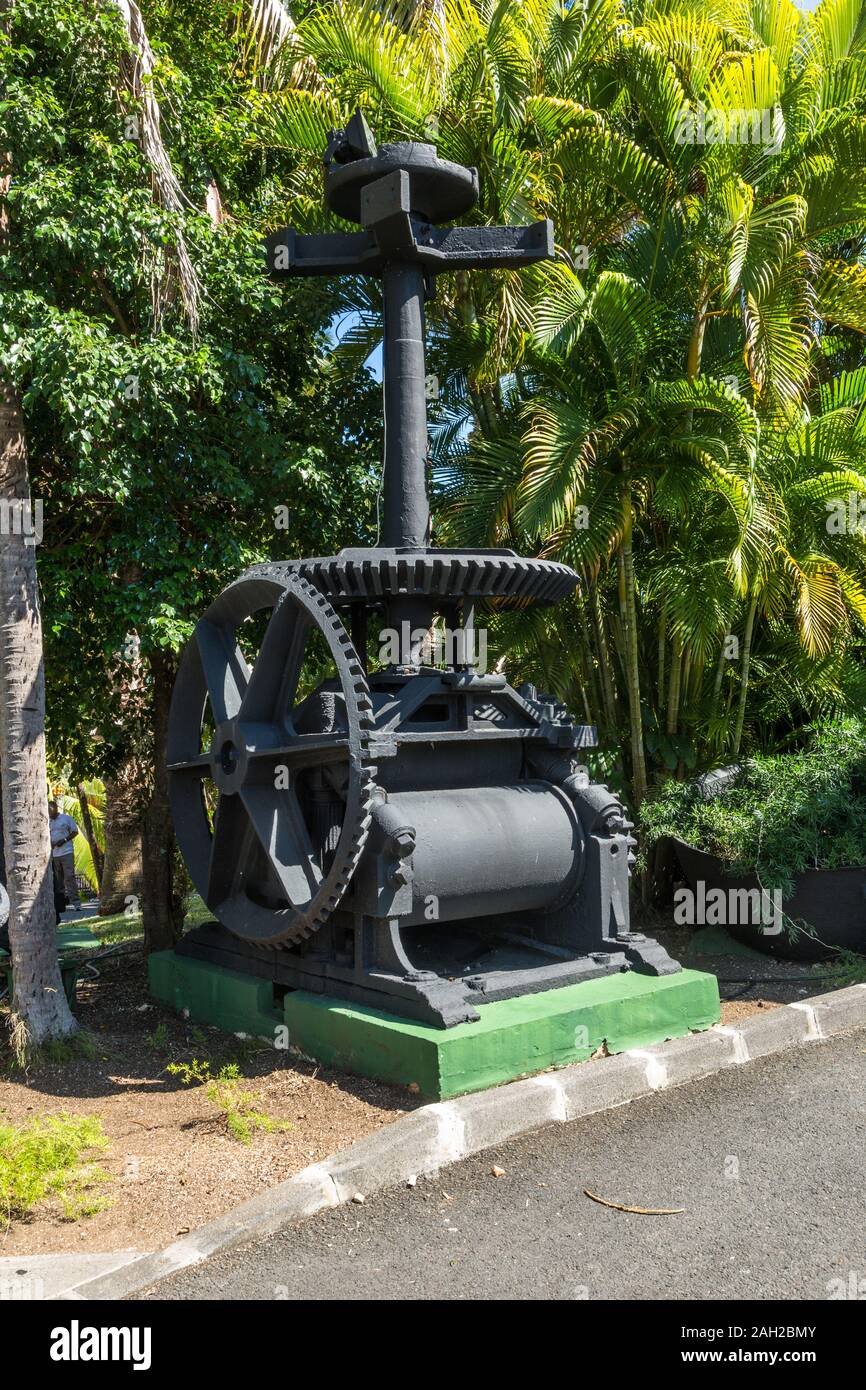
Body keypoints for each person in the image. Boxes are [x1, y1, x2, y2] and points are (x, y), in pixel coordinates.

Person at [48, 800, 81, 910]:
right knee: (58, 880)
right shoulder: (48, 821)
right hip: (54, 854)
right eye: (47, 811)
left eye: (50, 810)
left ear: (56, 808)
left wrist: (65, 839)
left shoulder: (66, 818)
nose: (49, 813)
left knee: (69, 876)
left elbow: (75, 831)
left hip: (67, 852)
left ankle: (76, 903)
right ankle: (61, 904)